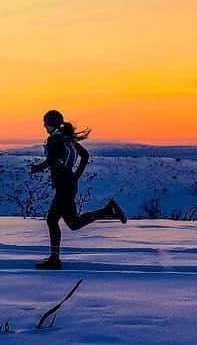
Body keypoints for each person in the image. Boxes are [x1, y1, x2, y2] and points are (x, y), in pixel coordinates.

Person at [29, 109, 126, 269]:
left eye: (45, 122)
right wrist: (75, 175)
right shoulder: (67, 139)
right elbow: (85, 155)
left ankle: (55, 260)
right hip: (68, 184)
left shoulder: (55, 139)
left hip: (64, 186)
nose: (43, 125)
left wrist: (36, 168)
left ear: (50, 123)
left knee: (52, 219)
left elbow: (52, 160)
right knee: (73, 223)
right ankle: (108, 211)